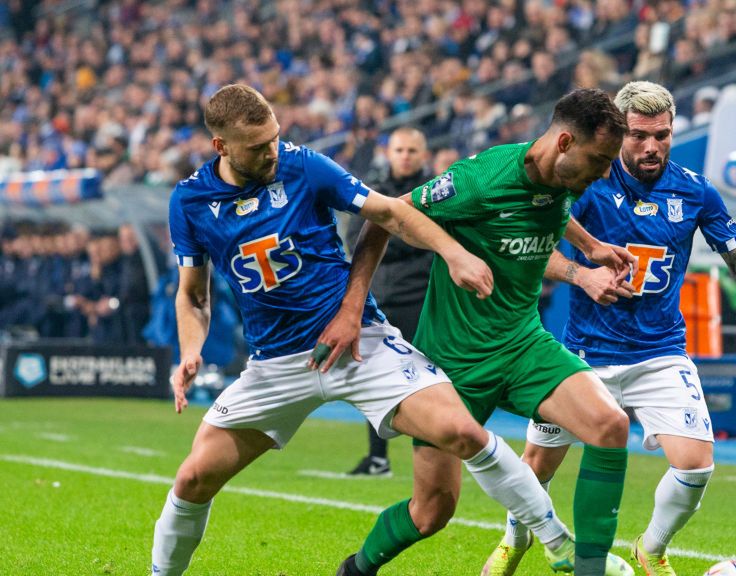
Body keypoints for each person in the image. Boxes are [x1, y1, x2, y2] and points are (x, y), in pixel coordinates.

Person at [151, 84, 573, 576]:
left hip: (359, 342)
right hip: (277, 364)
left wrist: (453, 252)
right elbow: (193, 294)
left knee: (462, 431)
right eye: (258, 146)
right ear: (221, 146)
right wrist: (189, 350)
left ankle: (561, 545)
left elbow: (390, 212)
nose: (272, 151)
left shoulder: (303, 165)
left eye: (275, 137)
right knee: (193, 480)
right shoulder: (190, 201)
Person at [480, 81, 736, 576]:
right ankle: (516, 539)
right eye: (639, 136)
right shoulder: (587, 181)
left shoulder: (695, 190)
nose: (652, 146)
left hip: (659, 351)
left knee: (696, 465)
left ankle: (650, 549)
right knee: (538, 467)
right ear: (617, 132)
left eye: (663, 134)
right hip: (583, 354)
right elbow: (530, 244)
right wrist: (581, 274)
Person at [339, 88, 638, 576]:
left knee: (610, 425)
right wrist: (354, 304)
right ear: (564, 141)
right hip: (451, 366)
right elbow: (385, 216)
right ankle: (354, 570)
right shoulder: (480, 180)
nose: (605, 173)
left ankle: (585, 568)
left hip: (522, 345)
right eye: (601, 160)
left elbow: (546, 216)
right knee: (431, 513)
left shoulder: (563, 178)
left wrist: (591, 248)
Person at [342, 127, 435, 477]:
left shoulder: (437, 193)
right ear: (389, 153)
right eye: (400, 150)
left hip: (424, 299)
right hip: (380, 299)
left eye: (412, 150)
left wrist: (389, 233)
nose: (406, 156)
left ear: (423, 155)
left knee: (430, 380)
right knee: (372, 378)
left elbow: (435, 242)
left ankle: (429, 458)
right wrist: (411, 235)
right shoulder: (374, 191)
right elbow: (356, 239)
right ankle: (377, 456)